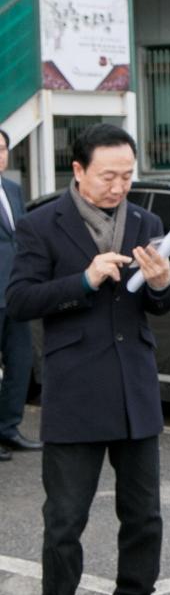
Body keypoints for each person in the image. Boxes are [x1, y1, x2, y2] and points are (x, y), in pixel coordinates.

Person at [8, 123, 170, 595]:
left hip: (134, 387)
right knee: (66, 518)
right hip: (76, 390)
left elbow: (163, 303)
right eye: (108, 175)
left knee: (145, 513)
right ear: (78, 171)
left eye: (127, 175)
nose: (119, 186)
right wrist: (83, 280)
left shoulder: (146, 221)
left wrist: (160, 283)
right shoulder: (41, 226)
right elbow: (18, 300)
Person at [0, 128, 39, 461]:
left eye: (1, 149)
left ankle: (9, 429)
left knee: (20, 363)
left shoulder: (12, 190)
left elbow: (22, 240)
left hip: (14, 294)